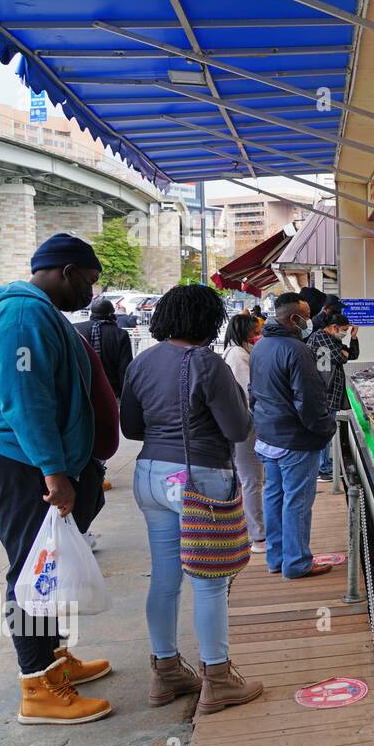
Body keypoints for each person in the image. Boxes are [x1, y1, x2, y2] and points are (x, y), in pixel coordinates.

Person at [0, 233, 113, 725]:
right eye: (90, 282)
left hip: (36, 461)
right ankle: (36, 685)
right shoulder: (23, 316)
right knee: (31, 571)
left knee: (47, 565)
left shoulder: (41, 313)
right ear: (67, 271)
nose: (91, 294)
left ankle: (54, 660)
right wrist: (55, 472)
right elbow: (24, 398)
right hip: (19, 463)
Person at [121, 284, 262, 714]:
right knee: (210, 582)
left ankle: (166, 672)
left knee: (165, 578)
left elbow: (131, 428)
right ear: (209, 321)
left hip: (149, 476)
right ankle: (217, 679)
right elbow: (238, 430)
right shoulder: (207, 364)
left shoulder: (141, 362)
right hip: (198, 479)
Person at [251, 292, 337, 579]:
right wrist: (326, 428)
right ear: (293, 319)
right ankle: (297, 562)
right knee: (297, 501)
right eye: (306, 314)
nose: (310, 320)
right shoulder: (296, 349)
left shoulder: (261, 346)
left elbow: (255, 392)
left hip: (268, 436)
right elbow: (309, 401)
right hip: (294, 440)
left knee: (274, 497)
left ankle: (277, 558)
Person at [222, 313, 266, 553]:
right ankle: (257, 535)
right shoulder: (238, 356)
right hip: (245, 425)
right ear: (245, 332)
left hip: (243, 424)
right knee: (252, 480)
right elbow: (248, 392)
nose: (257, 335)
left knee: (251, 479)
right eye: (254, 331)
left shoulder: (236, 352)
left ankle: (253, 529)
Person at [308, 313, 359, 482]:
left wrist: (353, 338)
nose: (344, 333)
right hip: (325, 393)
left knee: (327, 432)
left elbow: (351, 355)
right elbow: (340, 357)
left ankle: (325, 464)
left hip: (331, 393)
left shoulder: (333, 340)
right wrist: (342, 352)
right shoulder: (321, 337)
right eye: (344, 330)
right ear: (334, 327)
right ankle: (322, 469)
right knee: (324, 432)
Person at [74, 298, 134, 401]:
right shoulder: (120, 334)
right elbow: (124, 368)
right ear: (111, 313)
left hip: (80, 389)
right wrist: (123, 395)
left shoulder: (76, 329)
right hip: (110, 392)